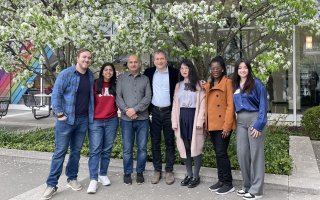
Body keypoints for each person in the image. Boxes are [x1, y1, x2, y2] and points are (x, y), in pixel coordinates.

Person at [41, 48, 94, 200]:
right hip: (66, 120)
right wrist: (60, 114)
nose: (86, 60)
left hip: (82, 120)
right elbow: (56, 94)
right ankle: (51, 185)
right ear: (77, 58)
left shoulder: (89, 75)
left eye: (89, 58)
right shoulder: (66, 74)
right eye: (84, 57)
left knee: (76, 152)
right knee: (59, 153)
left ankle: (72, 178)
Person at [232, 58, 267, 200]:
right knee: (242, 154)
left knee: (256, 155)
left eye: (245, 67)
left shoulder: (257, 84)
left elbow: (263, 105)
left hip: (254, 119)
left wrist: (260, 124)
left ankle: (257, 190)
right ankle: (247, 185)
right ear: (237, 70)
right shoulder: (235, 85)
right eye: (239, 68)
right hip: (240, 121)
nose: (242, 70)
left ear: (249, 69)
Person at [144, 50, 179, 185]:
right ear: (154, 61)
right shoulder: (149, 72)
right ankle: (157, 170)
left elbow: (186, 81)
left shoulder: (174, 72)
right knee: (155, 141)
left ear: (166, 59)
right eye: (157, 59)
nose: (160, 61)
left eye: (162, 58)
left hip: (169, 111)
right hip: (155, 112)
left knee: (170, 142)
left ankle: (169, 170)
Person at [202, 56, 236, 195]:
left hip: (223, 125)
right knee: (218, 154)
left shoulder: (228, 83)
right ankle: (221, 180)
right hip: (212, 125)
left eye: (217, 68)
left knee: (222, 153)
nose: (215, 70)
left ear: (223, 69)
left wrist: (227, 126)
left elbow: (230, 106)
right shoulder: (209, 84)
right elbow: (206, 106)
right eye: (212, 68)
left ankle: (228, 183)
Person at [116, 54, 151, 185]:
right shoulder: (121, 78)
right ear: (128, 64)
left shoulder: (146, 79)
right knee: (127, 148)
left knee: (142, 148)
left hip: (142, 119)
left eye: (136, 62)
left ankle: (140, 172)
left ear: (140, 63)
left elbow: (148, 98)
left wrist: (135, 110)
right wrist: (127, 111)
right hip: (126, 120)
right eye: (131, 62)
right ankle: (127, 173)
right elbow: (118, 97)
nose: (133, 64)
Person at [171, 59, 205, 188]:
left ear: (191, 69)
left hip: (194, 117)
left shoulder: (199, 85)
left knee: (196, 147)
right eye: (182, 68)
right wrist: (174, 121)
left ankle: (196, 176)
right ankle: (189, 174)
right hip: (182, 118)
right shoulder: (178, 85)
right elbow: (175, 104)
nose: (184, 70)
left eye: (186, 68)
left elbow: (203, 105)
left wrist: (200, 121)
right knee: (185, 148)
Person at [87, 63, 119, 194]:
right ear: (102, 72)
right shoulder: (95, 84)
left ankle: (103, 174)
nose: (108, 72)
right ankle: (93, 179)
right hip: (96, 121)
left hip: (111, 120)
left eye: (111, 70)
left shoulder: (116, 85)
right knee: (95, 150)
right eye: (106, 69)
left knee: (106, 149)